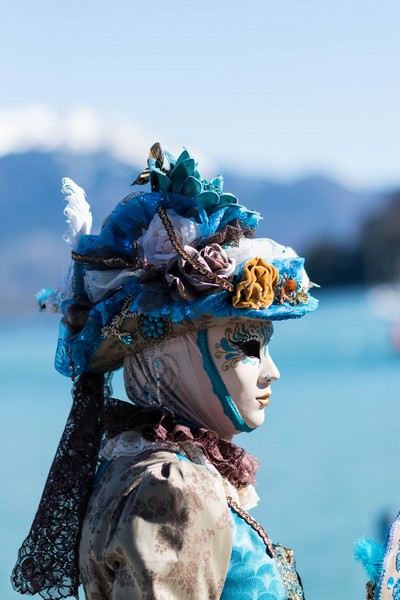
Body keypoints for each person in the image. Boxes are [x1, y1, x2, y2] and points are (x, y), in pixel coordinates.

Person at [12, 143, 318, 600]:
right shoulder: (178, 493)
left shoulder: (129, 467)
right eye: (247, 344)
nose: (271, 372)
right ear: (165, 358)